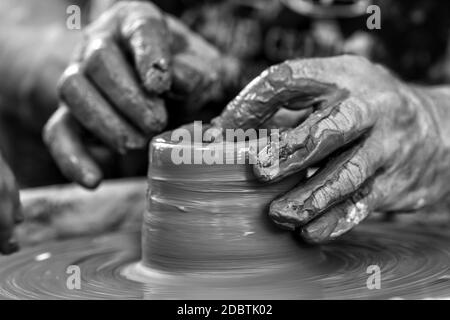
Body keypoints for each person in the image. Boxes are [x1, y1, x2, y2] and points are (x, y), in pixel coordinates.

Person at [0, 0, 449, 254]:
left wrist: (433, 118)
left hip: (402, 209)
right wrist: (88, 60)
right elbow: (19, 25)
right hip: (164, 208)